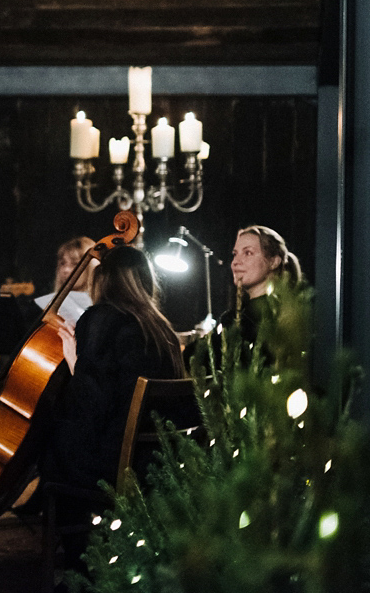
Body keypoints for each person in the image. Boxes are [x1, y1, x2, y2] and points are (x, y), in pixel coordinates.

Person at [41, 245, 184, 575]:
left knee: (49, 442)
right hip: (153, 461)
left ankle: (80, 560)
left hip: (113, 465)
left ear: (101, 280)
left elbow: (92, 408)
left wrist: (74, 360)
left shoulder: (100, 319)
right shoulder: (160, 326)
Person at [217, 225, 304, 364]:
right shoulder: (240, 317)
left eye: (248, 253)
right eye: (235, 254)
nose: (235, 262)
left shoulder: (266, 317)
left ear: (273, 262)